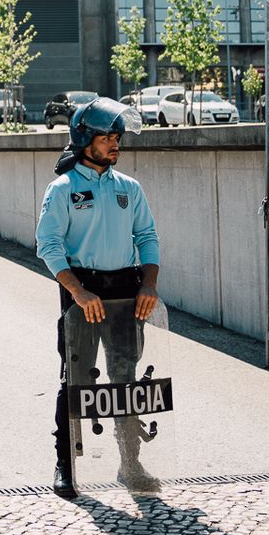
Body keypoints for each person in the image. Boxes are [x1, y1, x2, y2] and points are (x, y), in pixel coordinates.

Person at [35, 96, 161, 498]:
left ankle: (130, 463)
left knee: (125, 380)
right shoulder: (63, 189)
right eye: (107, 137)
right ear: (84, 139)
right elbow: (48, 246)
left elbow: (147, 237)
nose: (115, 144)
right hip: (84, 295)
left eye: (117, 137)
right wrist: (77, 291)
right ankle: (66, 463)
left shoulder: (129, 188)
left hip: (127, 292)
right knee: (76, 380)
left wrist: (149, 284)